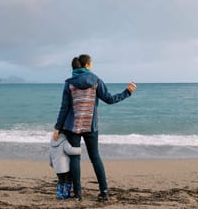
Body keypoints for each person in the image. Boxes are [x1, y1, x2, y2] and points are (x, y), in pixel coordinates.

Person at [53, 54, 137, 202]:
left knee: (75, 158)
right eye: (91, 64)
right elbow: (110, 99)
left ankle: (78, 195)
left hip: (73, 127)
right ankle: (104, 191)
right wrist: (127, 92)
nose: (92, 66)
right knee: (95, 157)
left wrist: (57, 128)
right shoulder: (96, 81)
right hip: (91, 126)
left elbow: (64, 108)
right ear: (86, 65)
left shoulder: (69, 83)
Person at [49, 132, 82, 199]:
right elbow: (69, 150)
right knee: (68, 179)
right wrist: (79, 150)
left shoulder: (52, 142)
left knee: (60, 179)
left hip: (57, 167)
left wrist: (51, 163)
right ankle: (67, 193)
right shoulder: (64, 141)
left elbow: (50, 154)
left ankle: (60, 193)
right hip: (65, 167)